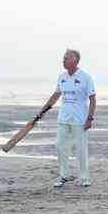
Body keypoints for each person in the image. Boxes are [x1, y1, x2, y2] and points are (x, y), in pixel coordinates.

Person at [38, 49, 96, 188]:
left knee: (81, 148)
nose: (63, 61)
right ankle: (63, 175)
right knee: (59, 146)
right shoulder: (62, 77)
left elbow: (92, 99)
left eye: (66, 58)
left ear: (75, 61)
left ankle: (84, 177)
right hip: (63, 118)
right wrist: (43, 110)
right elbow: (56, 95)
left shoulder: (85, 77)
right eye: (63, 58)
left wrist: (90, 118)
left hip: (79, 119)